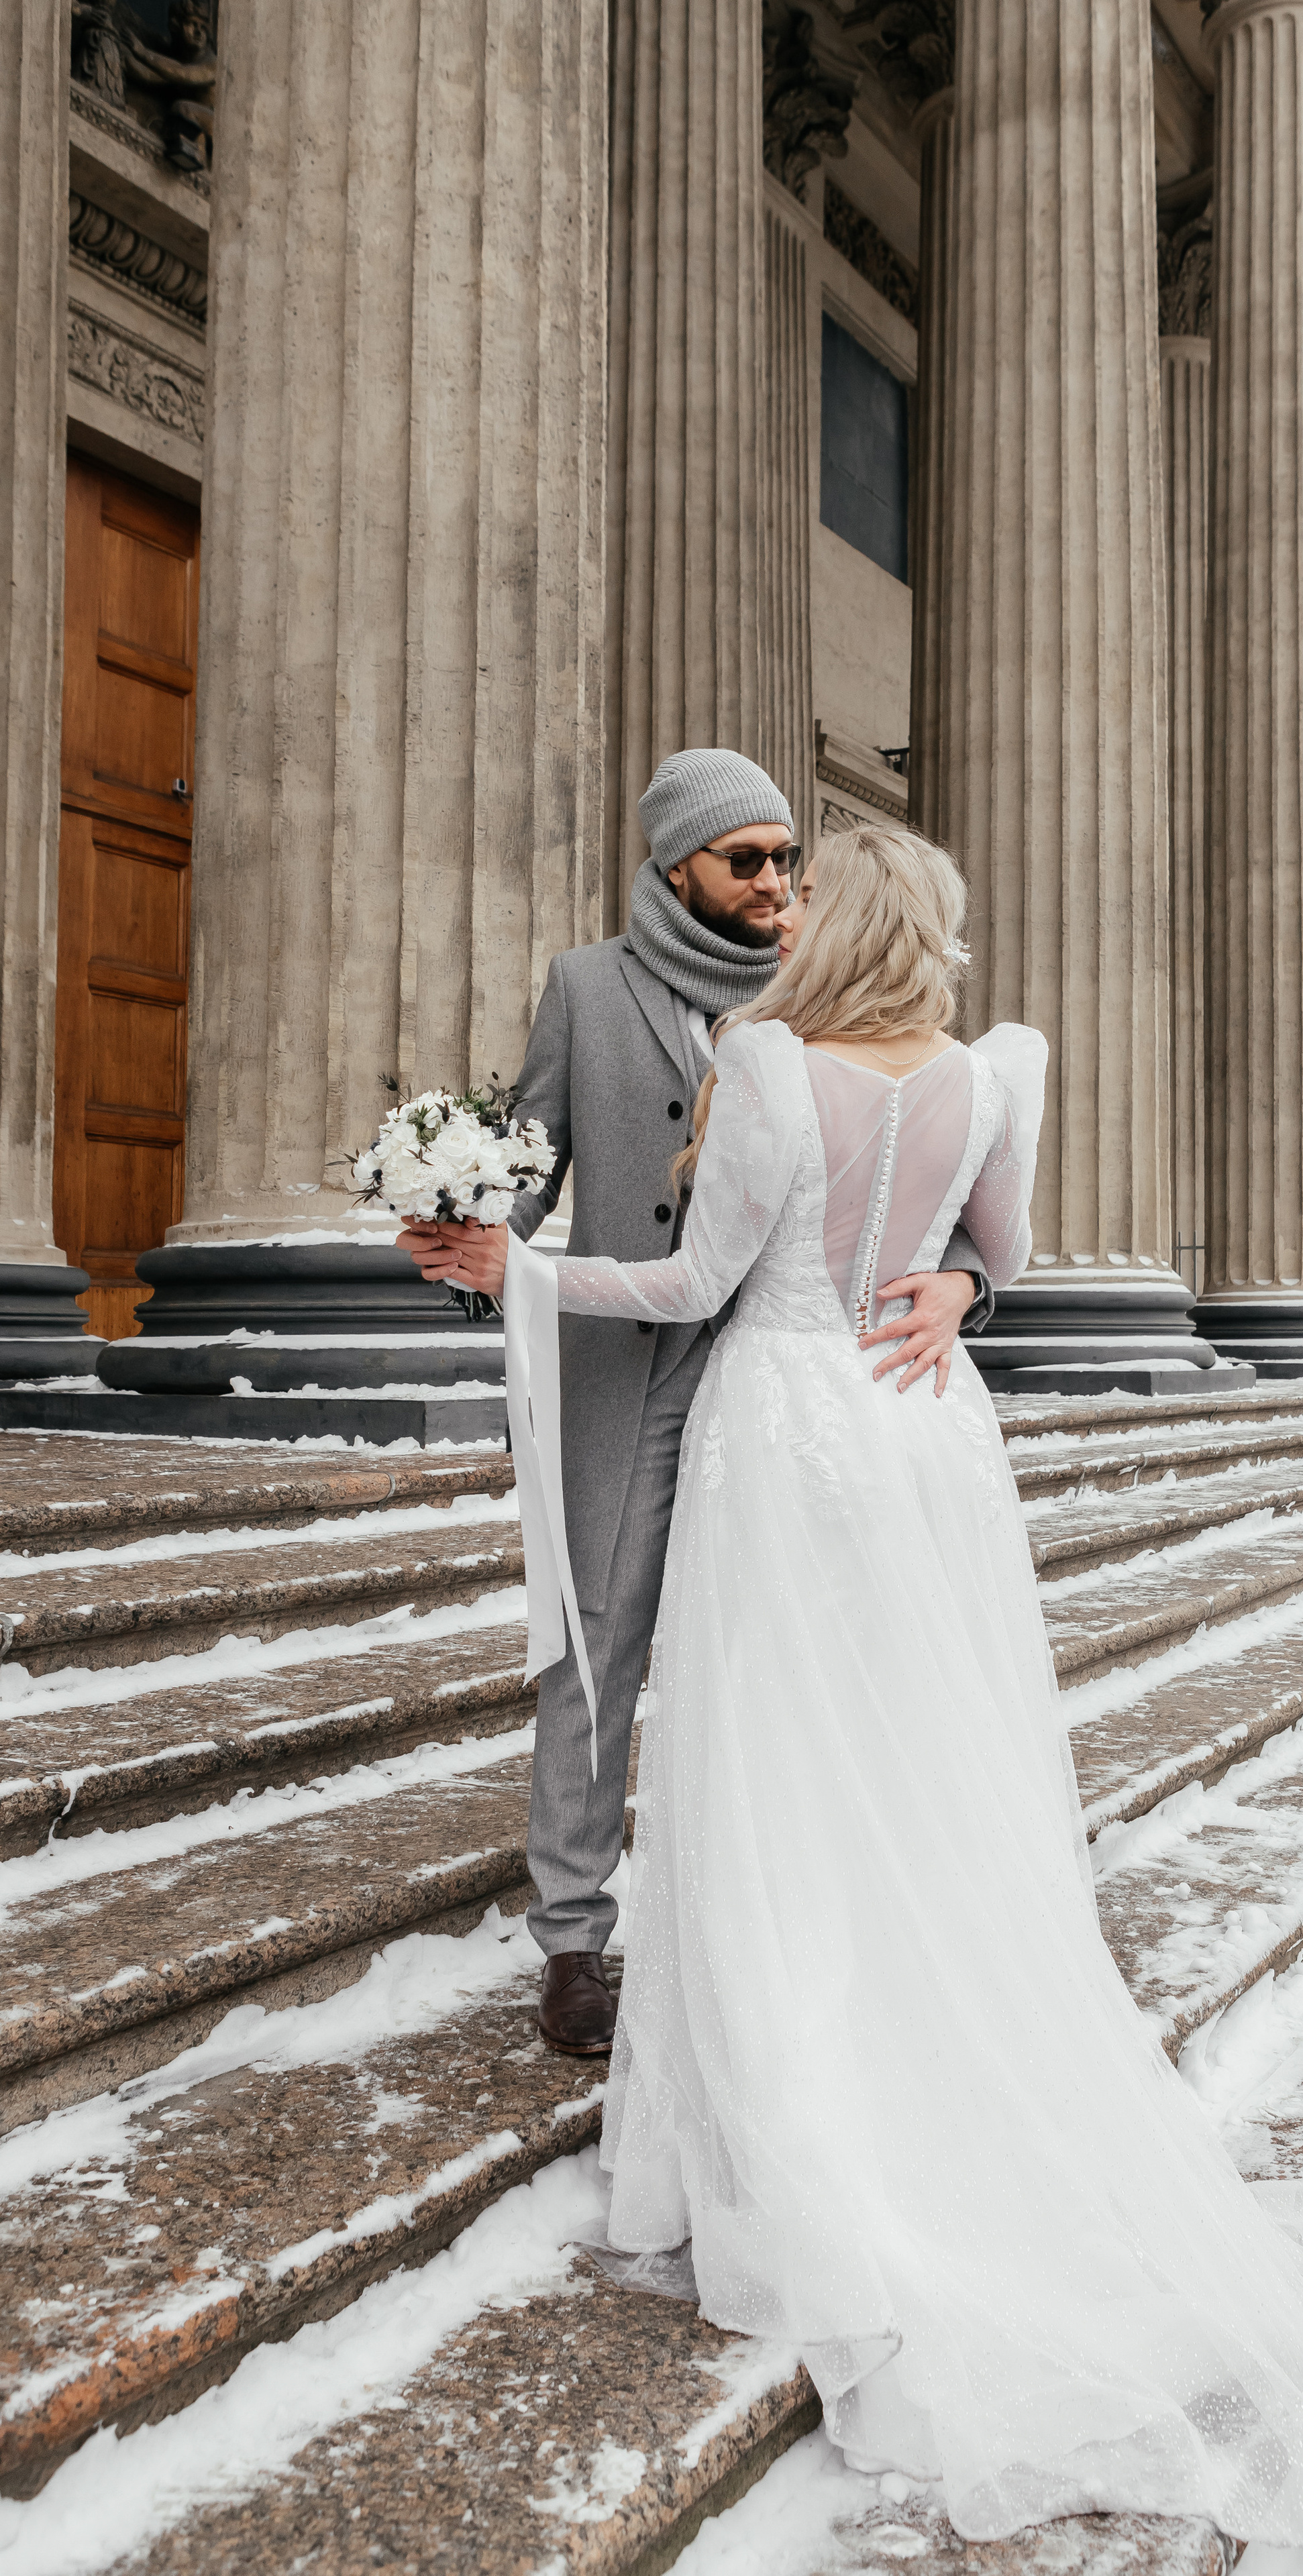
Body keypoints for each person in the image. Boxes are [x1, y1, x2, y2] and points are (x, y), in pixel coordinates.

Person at [402, 826, 1303, 2552]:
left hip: (786, 1434)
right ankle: (922, 2034)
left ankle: (796, 2094)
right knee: (915, 1757)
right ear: (930, 936)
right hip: (925, 1438)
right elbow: (991, 1253)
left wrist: (521, 1275)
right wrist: (950, 1279)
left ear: (833, 927)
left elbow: (690, 1287)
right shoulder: (983, 1074)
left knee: (778, 1765)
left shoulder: (764, 1066)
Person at [403, 753, 991, 2061]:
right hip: (618, 1380)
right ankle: (570, 1943)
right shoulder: (584, 988)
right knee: (590, 1659)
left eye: (787, 860)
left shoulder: (824, 987)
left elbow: (937, 1175)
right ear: (677, 866)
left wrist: (963, 1283)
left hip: (769, 1388)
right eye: (749, 861)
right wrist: (467, 1241)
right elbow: (531, 1165)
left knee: (765, 1665)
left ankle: (761, 1943)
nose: (778, 884)